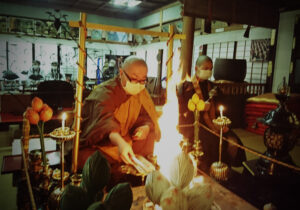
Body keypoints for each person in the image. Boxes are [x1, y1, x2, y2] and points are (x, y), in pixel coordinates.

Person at [76, 56, 161, 169]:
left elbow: (146, 116)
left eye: (143, 80)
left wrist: (145, 127)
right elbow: (104, 120)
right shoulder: (105, 92)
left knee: (149, 138)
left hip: (125, 140)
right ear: (121, 73)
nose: (139, 84)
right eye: (134, 79)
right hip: (99, 144)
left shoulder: (141, 93)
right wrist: (119, 142)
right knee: (90, 161)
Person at [177, 55, 246, 172]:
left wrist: (223, 124)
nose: (208, 71)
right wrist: (202, 107)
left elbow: (223, 107)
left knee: (233, 141)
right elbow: (184, 110)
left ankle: (224, 169)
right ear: (196, 68)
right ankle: (209, 171)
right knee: (211, 143)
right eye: (205, 68)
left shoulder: (213, 87)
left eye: (210, 68)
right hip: (195, 125)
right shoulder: (186, 86)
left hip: (214, 123)